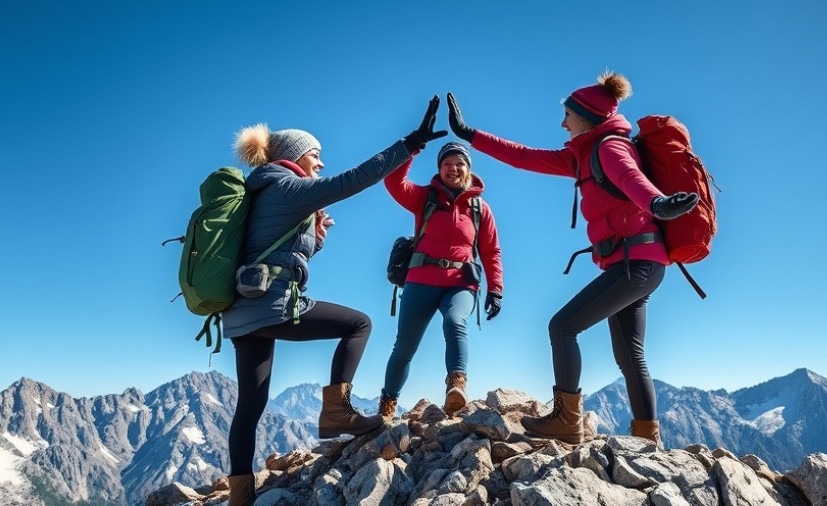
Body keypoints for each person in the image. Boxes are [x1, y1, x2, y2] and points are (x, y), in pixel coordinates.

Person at [446, 72, 698, 446]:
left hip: (637, 262)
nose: (563, 122)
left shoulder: (609, 148)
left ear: (588, 118)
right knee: (630, 353)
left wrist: (657, 203)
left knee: (562, 326)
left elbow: (631, 180)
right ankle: (648, 438)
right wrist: (469, 134)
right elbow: (523, 157)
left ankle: (567, 421)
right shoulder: (581, 157)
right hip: (638, 263)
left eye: (568, 115)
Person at [222, 97, 446, 505]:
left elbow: (275, 254)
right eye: (316, 156)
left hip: (242, 312)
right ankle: (338, 411)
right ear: (296, 157)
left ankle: (240, 494)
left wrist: (316, 240)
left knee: (250, 405)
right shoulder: (289, 186)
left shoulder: (263, 191)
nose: (321, 164)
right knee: (358, 324)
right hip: (272, 305)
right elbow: (356, 179)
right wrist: (410, 144)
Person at [377, 141, 504, 420]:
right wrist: (412, 147)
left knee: (455, 321)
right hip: (421, 280)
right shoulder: (424, 198)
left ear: (468, 169)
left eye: (459, 164)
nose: (453, 168)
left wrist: (495, 289)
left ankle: (456, 387)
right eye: (447, 164)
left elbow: (491, 251)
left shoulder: (480, 209)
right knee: (404, 347)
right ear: (439, 169)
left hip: (461, 282)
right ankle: (387, 406)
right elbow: (394, 182)